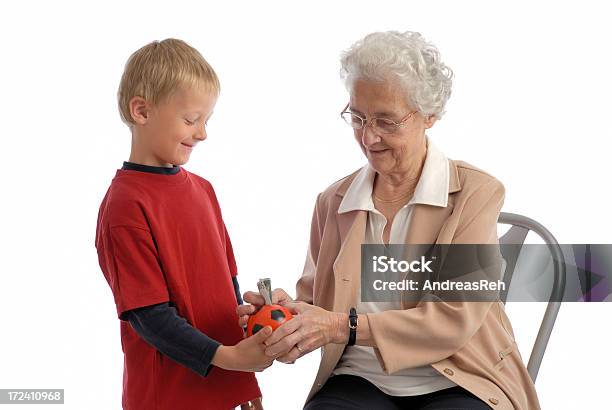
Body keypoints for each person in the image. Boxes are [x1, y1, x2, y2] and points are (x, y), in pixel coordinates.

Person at [238, 31, 541, 409]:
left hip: (460, 378)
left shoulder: (476, 194)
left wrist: (338, 326)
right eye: (358, 117)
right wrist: (285, 319)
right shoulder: (333, 202)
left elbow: (453, 318)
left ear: (429, 114)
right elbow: (319, 302)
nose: (369, 137)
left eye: (387, 121)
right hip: (359, 379)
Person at [95, 38, 274, 410]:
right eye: (191, 120)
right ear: (141, 111)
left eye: (206, 121)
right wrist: (229, 359)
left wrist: (244, 382)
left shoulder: (204, 190)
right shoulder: (125, 206)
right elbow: (150, 317)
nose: (202, 133)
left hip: (226, 388)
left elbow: (229, 290)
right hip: (168, 398)